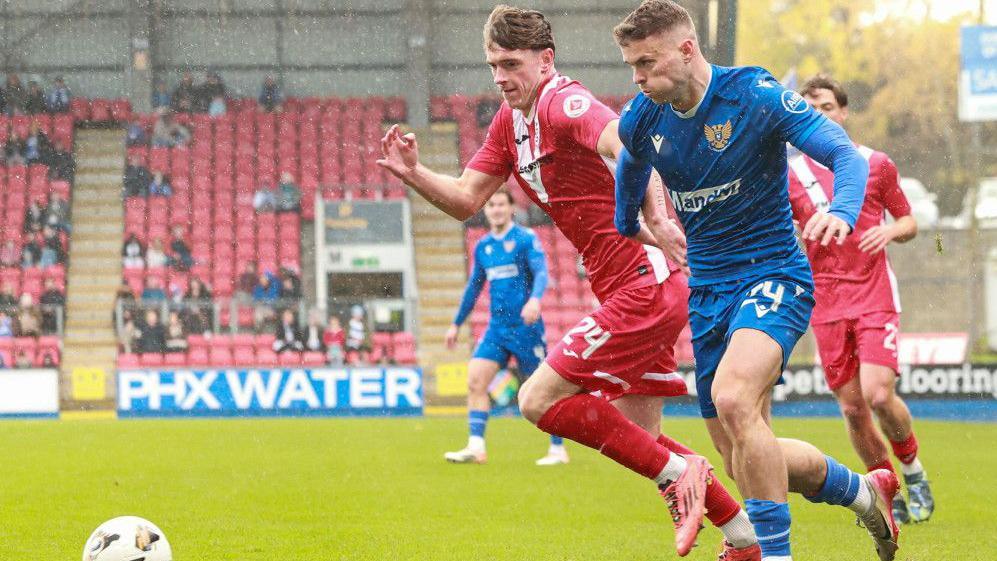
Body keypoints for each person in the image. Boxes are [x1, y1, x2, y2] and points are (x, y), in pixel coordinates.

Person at [378, 6, 757, 558]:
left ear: (545, 59)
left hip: (643, 284)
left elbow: (627, 145)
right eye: (492, 66)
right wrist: (413, 174)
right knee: (640, 440)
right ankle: (744, 539)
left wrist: (653, 220)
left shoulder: (564, 101)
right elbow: (465, 199)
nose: (501, 77)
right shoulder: (510, 124)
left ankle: (680, 473)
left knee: (537, 400)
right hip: (627, 286)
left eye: (511, 63)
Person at [610, 2, 898, 560]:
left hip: (773, 276)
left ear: (687, 49)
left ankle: (776, 556)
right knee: (741, 454)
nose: (638, 77)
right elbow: (629, 170)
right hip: (709, 292)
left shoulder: (755, 96)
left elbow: (843, 153)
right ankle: (866, 492)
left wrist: (842, 208)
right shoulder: (642, 117)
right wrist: (644, 226)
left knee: (734, 399)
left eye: (646, 62)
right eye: (631, 66)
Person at [787, 74, 933, 525]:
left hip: (873, 295)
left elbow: (908, 221)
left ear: (843, 112)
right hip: (826, 302)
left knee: (878, 393)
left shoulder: (874, 163)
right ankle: (887, 490)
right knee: (852, 407)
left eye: (827, 107)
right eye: (809, 108)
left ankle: (914, 471)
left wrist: (890, 229)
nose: (819, 115)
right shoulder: (789, 176)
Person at [443, 187, 566, 466]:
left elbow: (541, 273)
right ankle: (476, 447)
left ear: (510, 208)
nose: (496, 210)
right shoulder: (483, 247)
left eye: (500, 204)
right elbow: (473, 288)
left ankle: (557, 449)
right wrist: (455, 324)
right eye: (491, 206)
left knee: (542, 391)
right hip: (496, 329)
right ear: (485, 211)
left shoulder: (525, 239)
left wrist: (535, 300)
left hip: (526, 328)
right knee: (475, 380)